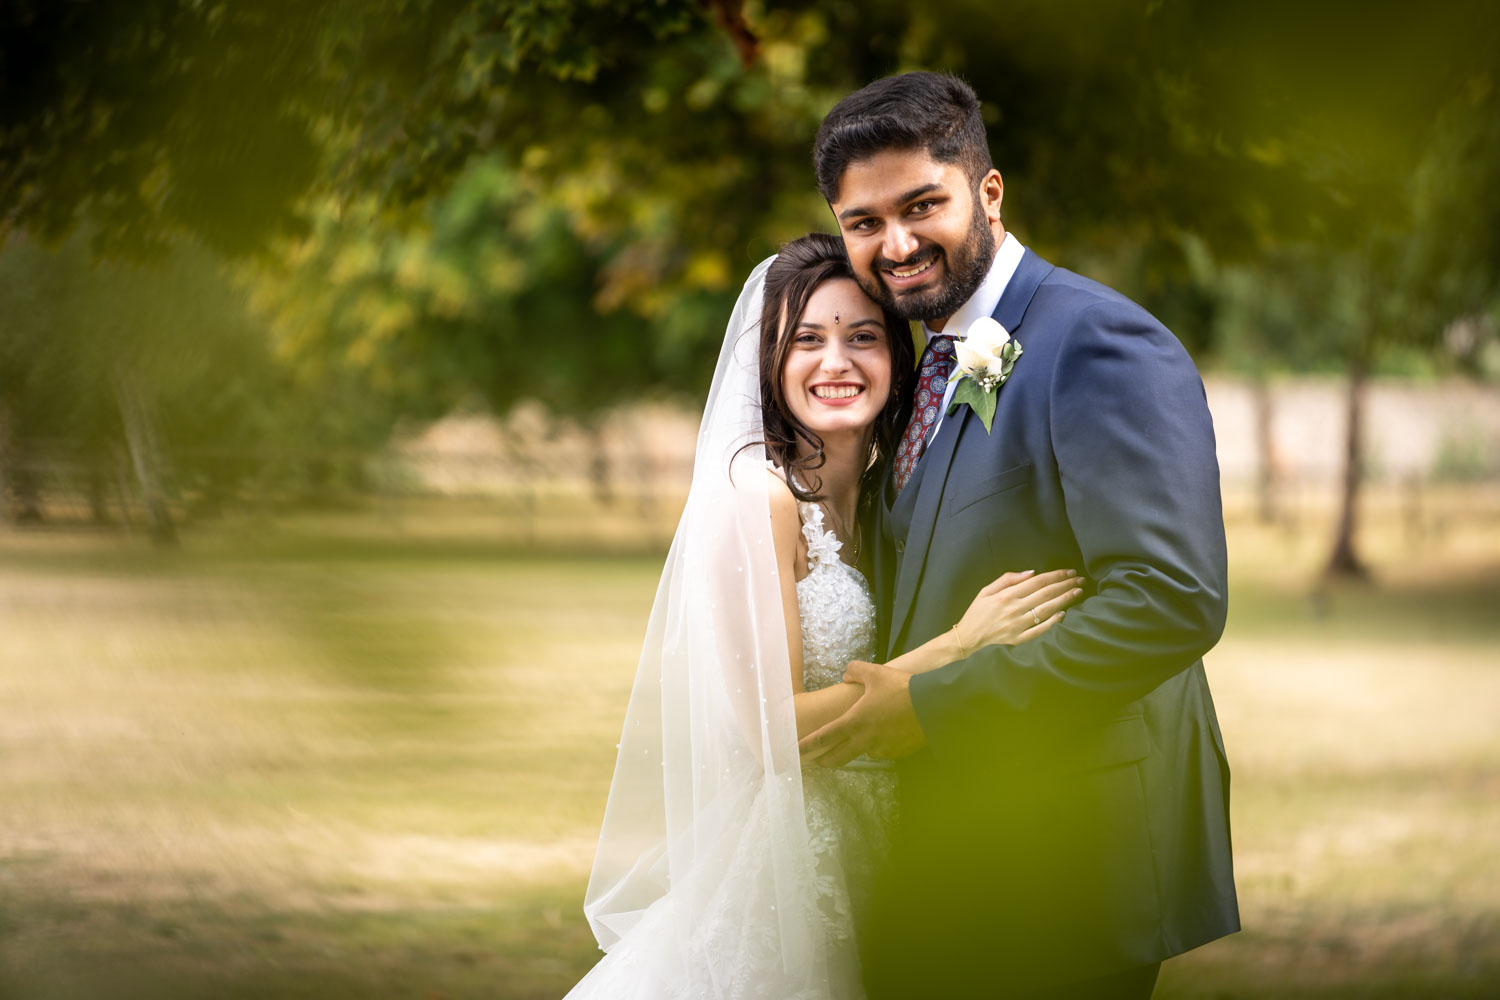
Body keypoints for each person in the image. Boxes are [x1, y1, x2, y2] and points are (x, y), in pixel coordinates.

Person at [797, 72, 1239, 998]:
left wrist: (929, 711)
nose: (897, 243)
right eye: (863, 222)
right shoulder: (931, 356)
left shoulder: (1098, 341)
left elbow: (1170, 601)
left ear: (988, 194)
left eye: (923, 204)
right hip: (958, 855)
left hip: (1070, 857)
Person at [565, 233, 1083, 1000]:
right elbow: (777, 734)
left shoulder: (886, 502)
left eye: (862, 337)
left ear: (899, 359)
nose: (835, 361)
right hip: (783, 879)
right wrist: (958, 644)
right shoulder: (757, 499)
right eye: (807, 339)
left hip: (885, 856)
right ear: (770, 364)